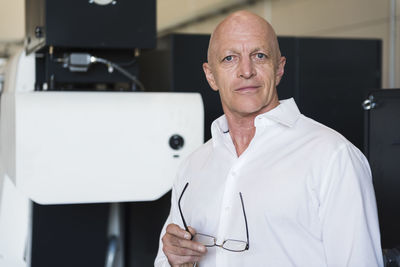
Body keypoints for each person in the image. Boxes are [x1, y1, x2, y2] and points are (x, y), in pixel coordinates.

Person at [154, 10, 383, 267]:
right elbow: (166, 260)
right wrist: (176, 262)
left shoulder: (332, 157)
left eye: (259, 56)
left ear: (279, 68)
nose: (246, 71)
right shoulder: (192, 166)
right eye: (230, 58)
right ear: (210, 75)